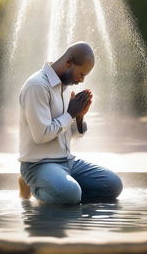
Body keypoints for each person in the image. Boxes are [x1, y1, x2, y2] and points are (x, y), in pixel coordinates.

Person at [18, 42, 123, 205]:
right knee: (70, 194)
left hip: (68, 161)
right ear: (69, 63)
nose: (81, 80)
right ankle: (32, 185)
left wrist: (79, 117)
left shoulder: (66, 88)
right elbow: (41, 135)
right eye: (81, 74)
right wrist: (70, 113)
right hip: (38, 165)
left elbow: (70, 133)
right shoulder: (37, 86)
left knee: (113, 185)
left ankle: (66, 189)